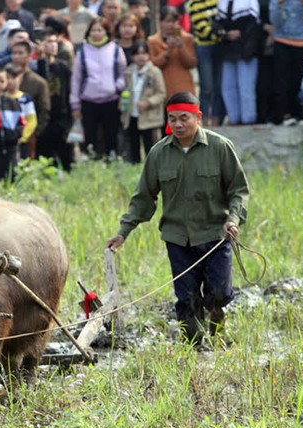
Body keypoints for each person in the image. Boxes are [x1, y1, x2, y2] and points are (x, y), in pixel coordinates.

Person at [106, 91, 249, 345]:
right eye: (172, 119)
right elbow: (143, 198)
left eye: (184, 118)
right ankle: (193, 350)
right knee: (187, 299)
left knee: (219, 293)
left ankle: (216, 328)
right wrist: (123, 231)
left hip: (216, 235)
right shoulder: (159, 154)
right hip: (178, 239)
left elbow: (238, 190)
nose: (178, 124)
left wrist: (234, 219)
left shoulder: (220, 147)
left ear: (198, 118)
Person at [70, 17, 126, 159]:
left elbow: (122, 72)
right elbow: (76, 79)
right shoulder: (82, 51)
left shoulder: (115, 49)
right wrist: (75, 104)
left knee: (111, 133)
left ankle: (112, 157)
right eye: (93, 30)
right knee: (90, 134)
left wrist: (117, 86)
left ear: (106, 32)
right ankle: (90, 158)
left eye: (100, 30)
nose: (96, 33)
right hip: (89, 99)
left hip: (111, 99)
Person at [269, 0, 303, 126]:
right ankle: (282, 115)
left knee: (298, 80)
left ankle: (299, 114)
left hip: (301, 42)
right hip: (281, 41)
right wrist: (280, 6)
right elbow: (274, 21)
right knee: (281, 81)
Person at [215, 0, 261, 125]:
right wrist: (225, 34)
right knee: (228, 88)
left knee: (245, 87)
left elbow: (254, 26)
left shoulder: (250, 2)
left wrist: (241, 36)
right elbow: (217, 24)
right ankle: (234, 119)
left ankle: (248, 120)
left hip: (246, 50)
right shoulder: (222, 2)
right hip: (228, 50)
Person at [121, 41, 166, 164]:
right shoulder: (129, 72)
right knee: (133, 144)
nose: (141, 57)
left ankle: (151, 168)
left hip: (149, 116)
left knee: (149, 146)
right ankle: (135, 167)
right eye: (137, 54)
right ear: (132, 56)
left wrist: (148, 102)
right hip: (132, 115)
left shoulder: (154, 72)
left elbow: (161, 93)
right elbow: (125, 90)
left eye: (144, 53)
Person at [36, 28, 74, 172]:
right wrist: (40, 60)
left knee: (67, 161)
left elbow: (69, 91)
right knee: (46, 162)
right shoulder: (36, 66)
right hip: (45, 120)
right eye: (49, 42)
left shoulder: (62, 66)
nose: (53, 45)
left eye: (55, 42)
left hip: (62, 118)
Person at [148, 7, 198, 105]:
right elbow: (152, 65)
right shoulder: (152, 41)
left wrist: (181, 47)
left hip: (183, 88)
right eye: (168, 21)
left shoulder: (187, 38)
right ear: (160, 22)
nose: (171, 25)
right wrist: (168, 52)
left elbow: (191, 63)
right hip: (162, 90)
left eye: (175, 21)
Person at [188, 0, 225, 126]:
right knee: (206, 87)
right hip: (204, 48)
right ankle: (203, 120)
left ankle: (216, 119)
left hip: (220, 47)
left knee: (218, 86)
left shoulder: (218, 2)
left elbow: (223, 22)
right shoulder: (193, 4)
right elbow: (202, 29)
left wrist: (219, 33)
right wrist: (219, 33)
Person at [12, 41, 51, 159]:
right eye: (14, 53)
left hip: (30, 135)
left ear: (29, 56)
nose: (16, 57)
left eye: (20, 53)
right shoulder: (4, 80)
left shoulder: (38, 82)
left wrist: (35, 132)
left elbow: (44, 110)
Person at [5, 63, 37, 156]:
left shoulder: (25, 98)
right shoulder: (2, 98)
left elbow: (31, 120)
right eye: (7, 78)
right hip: (5, 141)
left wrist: (23, 136)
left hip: (22, 140)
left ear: (20, 79)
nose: (10, 81)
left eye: (13, 78)